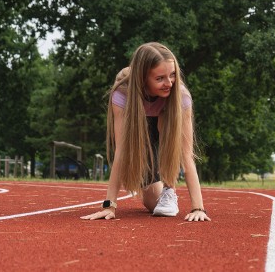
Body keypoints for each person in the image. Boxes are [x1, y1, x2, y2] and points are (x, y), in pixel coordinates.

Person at [81, 42, 210, 222]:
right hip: (139, 123)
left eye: (172, 75)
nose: (169, 83)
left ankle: (169, 189)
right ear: (142, 78)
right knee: (151, 202)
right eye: (160, 78)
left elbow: (186, 155)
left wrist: (199, 208)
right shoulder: (122, 94)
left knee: (162, 207)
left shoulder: (181, 97)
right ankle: (143, 177)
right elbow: (121, 150)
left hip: (165, 121)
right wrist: (109, 205)